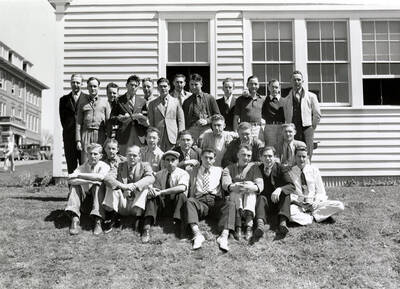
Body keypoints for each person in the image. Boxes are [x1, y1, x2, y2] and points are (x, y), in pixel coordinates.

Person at [185, 148, 235, 251]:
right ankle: (197, 234)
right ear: (201, 158)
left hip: (215, 200)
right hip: (200, 201)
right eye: (205, 157)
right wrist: (186, 162)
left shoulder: (220, 170)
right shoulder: (193, 170)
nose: (208, 160)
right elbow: (176, 168)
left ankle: (223, 236)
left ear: (214, 159)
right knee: (189, 201)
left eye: (211, 158)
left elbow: (227, 182)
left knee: (230, 204)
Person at [102, 145, 155, 233]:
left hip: (136, 204)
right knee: (111, 186)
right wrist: (123, 186)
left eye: (134, 155)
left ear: (139, 156)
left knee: (145, 187)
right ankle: (112, 217)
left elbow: (151, 178)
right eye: (129, 155)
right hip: (122, 202)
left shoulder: (145, 165)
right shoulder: (119, 165)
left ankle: (138, 219)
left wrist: (134, 186)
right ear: (126, 155)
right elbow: (107, 178)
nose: (131, 157)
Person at [142, 150, 190, 243]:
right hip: (163, 205)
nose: (170, 162)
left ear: (177, 161)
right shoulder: (160, 174)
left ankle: (181, 227)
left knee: (181, 195)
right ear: (163, 162)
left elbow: (182, 187)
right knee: (152, 196)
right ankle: (146, 227)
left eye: (173, 160)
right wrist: (153, 190)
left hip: (177, 205)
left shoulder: (183, 173)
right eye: (167, 160)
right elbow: (156, 189)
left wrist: (162, 192)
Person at [289, 146, 344, 225]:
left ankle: (311, 216)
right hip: (299, 205)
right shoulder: (290, 172)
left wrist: (316, 202)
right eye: (299, 156)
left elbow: (321, 192)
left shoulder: (314, 170)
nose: (301, 159)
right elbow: (290, 193)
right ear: (295, 157)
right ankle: (314, 217)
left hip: (314, 204)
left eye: (304, 157)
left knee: (339, 206)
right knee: (289, 214)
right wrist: (299, 203)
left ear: (307, 157)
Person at [65, 143, 110, 235]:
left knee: (98, 185)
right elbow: (70, 180)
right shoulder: (82, 167)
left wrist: (80, 176)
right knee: (75, 186)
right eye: (90, 154)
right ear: (87, 155)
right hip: (84, 202)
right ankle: (75, 219)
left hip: (99, 201)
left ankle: (98, 221)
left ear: (101, 156)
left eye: (95, 154)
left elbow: (100, 177)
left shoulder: (104, 166)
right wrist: (89, 181)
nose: (92, 156)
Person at [222, 144, 264, 241]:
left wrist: (249, 187)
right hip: (235, 196)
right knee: (236, 190)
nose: (246, 158)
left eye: (249, 155)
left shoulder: (254, 167)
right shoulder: (229, 168)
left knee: (250, 187)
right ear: (237, 155)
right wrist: (235, 186)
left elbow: (260, 185)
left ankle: (249, 225)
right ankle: (238, 226)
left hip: (250, 196)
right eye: (243, 154)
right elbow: (225, 184)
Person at [253, 146, 294, 240]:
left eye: (270, 156)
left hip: (278, 203)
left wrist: (279, 189)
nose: (268, 158)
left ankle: (282, 223)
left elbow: (291, 185)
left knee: (286, 194)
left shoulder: (281, 168)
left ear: (275, 157)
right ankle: (260, 225)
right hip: (264, 204)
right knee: (261, 197)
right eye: (265, 156)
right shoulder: (258, 169)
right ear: (261, 158)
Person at [283, 70, 321, 159]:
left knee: (307, 153)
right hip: (293, 130)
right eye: (294, 80)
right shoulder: (287, 99)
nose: (297, 82)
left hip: (307, 128)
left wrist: (312, 127)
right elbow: (285, 114)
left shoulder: (311, 96)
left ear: (302, 81)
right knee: (293, 152)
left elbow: (317, 114)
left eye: (299, 80)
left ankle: (306, 171)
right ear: (291, 82)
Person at [76, 77, 111, 163]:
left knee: (100, 159)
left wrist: (108, 138)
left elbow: (109, 122)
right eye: (90, 86)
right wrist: (78, 141)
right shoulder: (82, 103)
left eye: (95, 86)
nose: (93, 88)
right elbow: (78, 123)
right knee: (86, 160)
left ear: (99, 87)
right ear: (87, 87)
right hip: (86, 134)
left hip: (100, 134)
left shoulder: (105, 103)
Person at [110, 75, 148, 155]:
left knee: (139, 158)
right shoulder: (118, 100)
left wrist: (142, 119)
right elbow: (112, 118)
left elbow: (146, 118)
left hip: (139, 135)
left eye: (136, 85)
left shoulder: (143, 101)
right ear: (126, 85)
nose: (133, 87)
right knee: (124, 159)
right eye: (131, 85)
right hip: (124, 135)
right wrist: (119, 118)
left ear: (138, 88)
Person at [148, 77, 185, 151]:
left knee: (173, 158)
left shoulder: (176, 101)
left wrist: (180, 137)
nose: (163, 88)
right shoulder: (152, 103)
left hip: (173, 136)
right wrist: (152, 136)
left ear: (169, 87)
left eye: (165, 86)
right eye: (160, 86)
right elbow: (151, 123)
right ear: (158, 88)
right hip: (158, 137)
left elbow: (181, 121)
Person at [59, 74, 86, 173]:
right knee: (71, 168)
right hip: (69, 139)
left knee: (84, 167)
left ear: (82, 84)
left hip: (83, 138)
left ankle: (85, 189)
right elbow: (63, 120)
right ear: (70, 83)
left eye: (78, 82)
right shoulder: (63, 100)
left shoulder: (87, 99)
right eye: (73, 82)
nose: (75, 84)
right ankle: (72, 189)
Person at [182, 73, 220, 139]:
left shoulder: (209, 98)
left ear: (201, 84)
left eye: (196, 84)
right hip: (193, 129)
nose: (193, 87)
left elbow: (218, 115)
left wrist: (207, 120)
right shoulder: (187, 101)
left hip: (207, 128)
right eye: (191, 84)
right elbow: (184, 119)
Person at [233, 76, 266, 141]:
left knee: (259, 148)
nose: (253, 86)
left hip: (258, 129)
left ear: (258, 85)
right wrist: (236, 132)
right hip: (244, 129)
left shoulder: (262, 99)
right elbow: (236, 118)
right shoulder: (240, 99)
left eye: (255, 84)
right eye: (251, 84)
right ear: (247, 85)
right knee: (245, 148)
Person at [262, 79, 285, 151]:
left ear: (279, 88)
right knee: (269, 149)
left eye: (276, 87)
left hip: (281, 127)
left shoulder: (284, 101)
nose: (274, 89)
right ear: (268, 88)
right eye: (272, 87)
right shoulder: (264, 100)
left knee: (281, 149)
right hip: (269, 128)